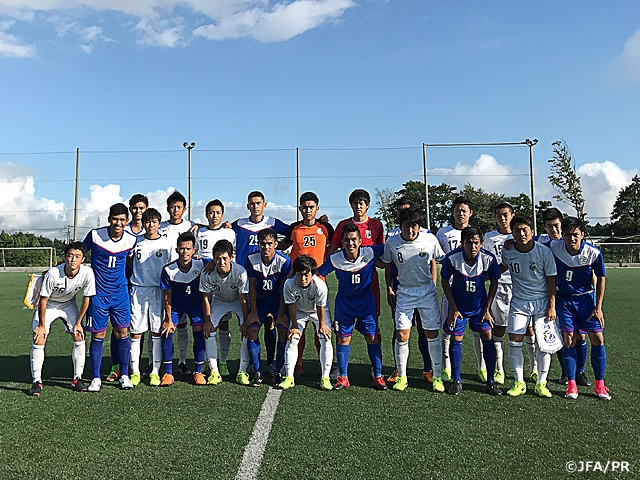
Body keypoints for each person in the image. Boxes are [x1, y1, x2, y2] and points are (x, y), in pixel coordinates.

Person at [382, 207, 445, 393]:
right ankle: (402, 376)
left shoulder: (430, 239)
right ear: (400, 226)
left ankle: (438, 377)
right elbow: (387, 265)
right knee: (402, 334)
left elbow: (442, 259)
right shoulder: (392, 242)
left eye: (414, 226)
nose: (411, 231)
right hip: (405, 292)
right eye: (407, 226)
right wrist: (389, 288)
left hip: (426, 292)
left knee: (431, 334)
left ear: (419, 226)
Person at [318, 222, 387, 391]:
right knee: (343, 338)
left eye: (354, 239)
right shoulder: (335, 258)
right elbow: (318, 272)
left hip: (366, 304)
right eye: (347, 240)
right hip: (345, 305)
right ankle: (343, 377)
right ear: (342, 241)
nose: (351, 243)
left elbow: (390, 248)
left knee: (372, 337)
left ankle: (378, 376)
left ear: (360, 240)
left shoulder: (370, 252)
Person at [549, 217, 610, 400]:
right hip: (565, 301)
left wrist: (598, 307)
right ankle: (571, 384)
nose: (572, 238)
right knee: (569, 340)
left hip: (586, 300)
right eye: (568, 234)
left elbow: (601, 278)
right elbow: (532, 242)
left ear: (582, 234)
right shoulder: (554, 247)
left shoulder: (593, 253)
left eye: (575, 234)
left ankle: (600, 385)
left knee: (598, 338)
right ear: (563, 236)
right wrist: (510, 241)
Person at [440, 226, 502, 396]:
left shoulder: (488, 259)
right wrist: (453, 307)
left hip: (480, 308)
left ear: (481, 243)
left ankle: (491, 381)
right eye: (469, 243)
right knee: (456, 337)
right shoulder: (452, 258)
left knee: (488, 337)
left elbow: (495, 281)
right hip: (459, 308)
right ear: (462, 243)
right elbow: (444, 280)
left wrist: (487, 308)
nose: (473, 246)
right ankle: (457, 380)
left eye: (476, 243)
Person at [232, 191, 289, 376]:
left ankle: (272, 363)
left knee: (272, 323)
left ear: (264, 204)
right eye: (252, 203)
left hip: (272, 290)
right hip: (248, 279)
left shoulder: (272, 223)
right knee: (249, 324)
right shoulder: (239, 224)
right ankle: (250, 364)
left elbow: (292, 231)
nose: (255, 206)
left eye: (258, 203)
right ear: (248, 205)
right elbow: (219, 229)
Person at [28, 242, 96, 396]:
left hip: (68, 304)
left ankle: (77, 379)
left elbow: (86, 299)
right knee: (39, 338)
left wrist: (78, 323)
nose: (73, 259)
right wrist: (42, 326)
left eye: (77, 256)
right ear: (65, 258)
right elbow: (43, 300)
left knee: (79, 335)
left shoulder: (87, 273)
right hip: (49, 305)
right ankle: (36, 381)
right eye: (70, 256)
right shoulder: (53, 273)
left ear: (82, 259)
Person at [83, 203, 138, 392]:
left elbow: (131, 264)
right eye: (115, 219)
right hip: (98, 294)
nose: (118, 223)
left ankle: (124, 375)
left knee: (122, 333)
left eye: (122, 220)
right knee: (98, 334)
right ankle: (96, 377)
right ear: (109, 219)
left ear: (127, 221)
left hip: (120, 294)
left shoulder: (131, 240)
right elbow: (78, 253)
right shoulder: (95, 235)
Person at [501, 215, 557, 398]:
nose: (521, 233)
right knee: (514, 342)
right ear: (512, 233)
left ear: (532, 232)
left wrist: (551, 305)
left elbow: (551, 279)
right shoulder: (508, 250)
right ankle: (519, 382)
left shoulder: (543, 251)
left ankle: (542, 383)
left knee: (544, 345)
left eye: (524, 229)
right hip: (519, 302)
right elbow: (501, 267)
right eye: (516, 230)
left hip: (542, 303)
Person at [282, 191, 334, 378]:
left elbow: (334, 245)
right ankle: (298, 363)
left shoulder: (325, 227)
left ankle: (323, 366)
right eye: (304, 207)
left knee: (321, 330)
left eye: (311, 207)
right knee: (297, 329)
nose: (308, 210)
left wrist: (325, 267)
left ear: (317, 209)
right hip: (298, 282)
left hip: (318, 283)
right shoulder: (294, 228)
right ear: (300, 209)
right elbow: (283, 245)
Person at [538, 207, 591, 386]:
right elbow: (527, 243)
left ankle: (581, 372)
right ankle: (566, 372)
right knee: (564, 335)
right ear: (544, 227)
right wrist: (511, 243)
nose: (554, 230)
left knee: (581, 336)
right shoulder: (545, 244)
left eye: (557, 226)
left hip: (581, 296)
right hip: (558, 297)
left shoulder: (572, 241)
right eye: (549, 226)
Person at [436, 196, 486, 383]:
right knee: (449, 328)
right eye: (457, 210)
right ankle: (446, 367)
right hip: (451, 288)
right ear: (453, 212)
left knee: (478, 330)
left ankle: (482, 367)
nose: (461, 214)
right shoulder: (443, 233)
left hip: (474, 292)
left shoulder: (478, 234)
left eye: (464, 210)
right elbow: (438, 256)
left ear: (470, 213)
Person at [126, 208, 172, 387]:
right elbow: (129, 260)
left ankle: (155, 371)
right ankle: (135, 372)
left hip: (158, 291)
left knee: (156, 332)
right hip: (138, 290)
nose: (150, 225)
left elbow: (171, 266)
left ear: (159, 224)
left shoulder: (167, 244)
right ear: (143, 223)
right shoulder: (136, 241)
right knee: (136, 332)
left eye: (154, 221)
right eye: (147, 222)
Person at [159, 231, 209, 386]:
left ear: (194, 250)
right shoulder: (168, 270)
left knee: (199, 331)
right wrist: (168, 319)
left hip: (195, 305)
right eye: (182, 248)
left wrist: (211, 261)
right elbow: (167, 297)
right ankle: (168, 372)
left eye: (188, 249)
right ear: (177, 250)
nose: (185, 252)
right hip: (176, 306)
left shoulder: (202, 263)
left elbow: (216, 261)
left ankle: (199, 372)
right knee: (167, 332)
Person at [243, 228, 291, 387]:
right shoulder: (251, 259)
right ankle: (257, 371)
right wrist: (254, 312)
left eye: (269, 244)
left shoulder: (284, 261)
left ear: (276, 244)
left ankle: (277, 369)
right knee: (252, 328)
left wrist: (282, 313)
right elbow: (252, 286)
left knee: (282, 329)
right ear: (258, 244)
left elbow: (285, 289)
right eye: (262, 244)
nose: (266, 247)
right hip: (261, 302)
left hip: (278, 302)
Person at [278, 255, 333, 391]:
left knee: (325, 338)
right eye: (299, 274)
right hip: (300, 311)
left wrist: (322, 325)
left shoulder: (320, 286)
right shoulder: (289, 284)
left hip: (318, 311)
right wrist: (295, 326)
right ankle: (289, 377)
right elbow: (290, 305)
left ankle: (325, 378)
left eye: (306, 274)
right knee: (293, 338)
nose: (303, 279)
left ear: (312, 273)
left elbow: (320, 307)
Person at [328, 189, 384, 319]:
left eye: (361, 203)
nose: (358, 206)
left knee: (372, 320)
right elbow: (332, 249)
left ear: (367, 205)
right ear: (351, 205)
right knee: (345, 321)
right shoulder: (343, 225)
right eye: (355, 203)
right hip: (347, 277)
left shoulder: (376, 225)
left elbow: (382, 251)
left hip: (369, 278)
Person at [200, 239, 250, 384]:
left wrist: (245, 321)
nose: (221, 262)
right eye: (218, 258)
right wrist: (208, 320)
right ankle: (214, 371)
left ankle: (242, 370)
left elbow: (243, 299)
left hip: (237, 301)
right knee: (209, 330)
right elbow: (206, 297)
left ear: (231, 257)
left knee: (248, 330)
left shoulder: (240, 272)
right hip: (219, 300)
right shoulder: (207, 273)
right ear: (213, 258)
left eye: (224, 258)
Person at [158, 190, 196, 378]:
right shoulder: (160, 227)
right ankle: (153, 363)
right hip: (167, 279)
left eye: (178, 207)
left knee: (183, 325)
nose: (175, 210)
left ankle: (182, 361)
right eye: (172, 207)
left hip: (188, 279)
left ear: (184, 209)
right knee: (162, 325)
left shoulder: (192, 227)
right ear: (167, 209)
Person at [482, 202, 515, 385]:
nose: (502, 219)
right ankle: (499, 369)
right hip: (499, 287)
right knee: (499, 329)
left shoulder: (519, 234)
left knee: (528, 330)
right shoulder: (489, 237)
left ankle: (534, 369)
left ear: (512, 215)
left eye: (505, 215)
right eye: (499, 215)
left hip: (520, 287)